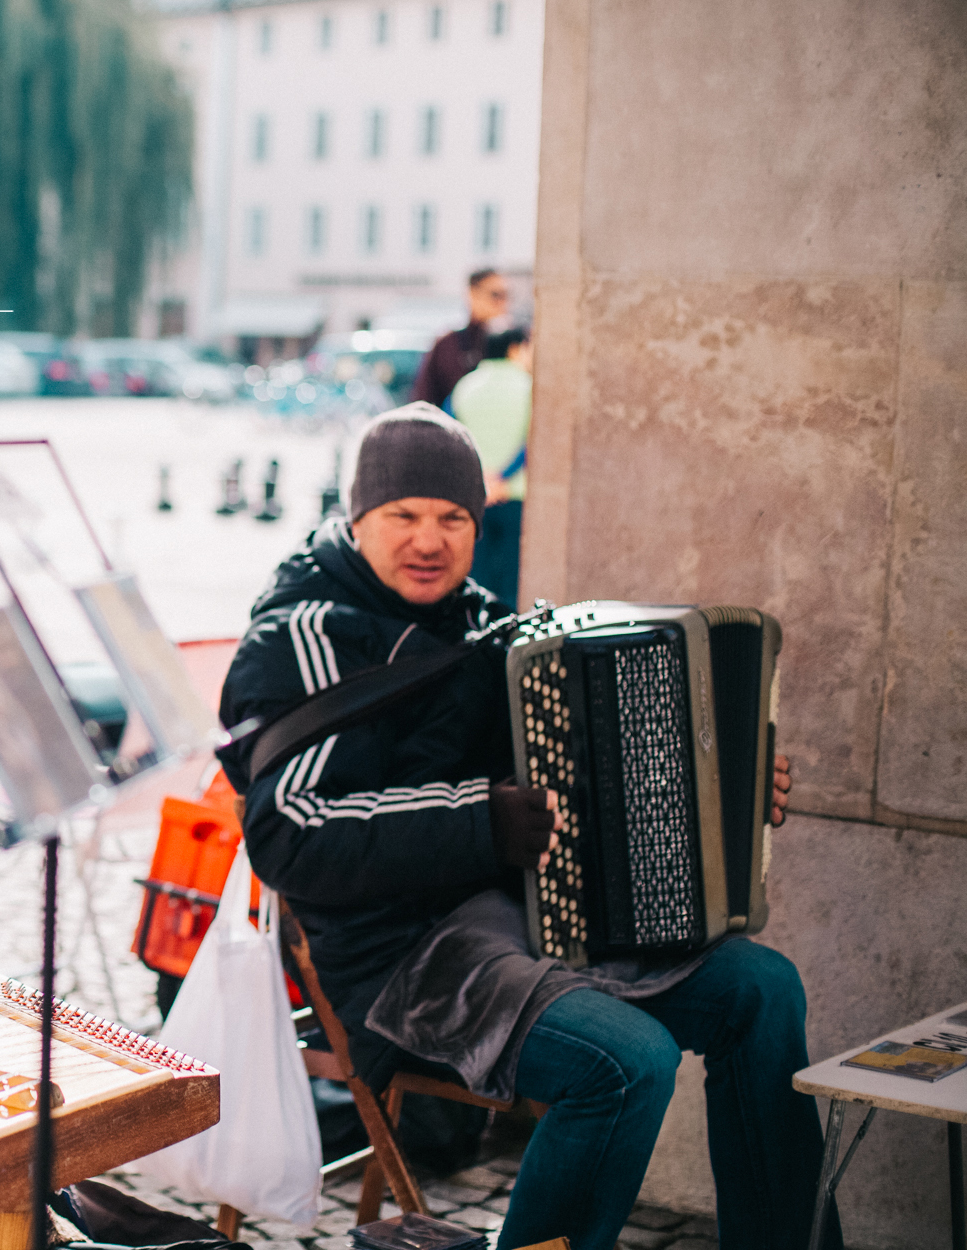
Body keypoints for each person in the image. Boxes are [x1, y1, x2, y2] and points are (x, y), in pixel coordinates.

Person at [216, 405, 836, 1250]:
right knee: (627, 1062)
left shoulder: (483, 628)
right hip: (404, 960)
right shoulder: (303, 636)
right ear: (356, 519)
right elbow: (292, 828)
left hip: (531, 922)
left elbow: (575, 785)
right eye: (402, 516)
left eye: (453, 519)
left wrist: (719, 797)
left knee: (762, 990)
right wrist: (478, 820)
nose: (428, 540)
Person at [451, 325, 532, 606]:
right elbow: (532, 443)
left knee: (478, 577)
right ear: (515, 348)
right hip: (515, 494)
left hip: (477, 495)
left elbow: (453, 435)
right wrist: (504, 477)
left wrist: (483, 477)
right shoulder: (529, 387)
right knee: (513, 579)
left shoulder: (465, 386)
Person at [411, 269, 509, 410]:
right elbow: (423, 400)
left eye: (506, 295)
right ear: (472, 295)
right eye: (496, 295)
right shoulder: (447, 345)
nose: (503, 302)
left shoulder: (516, 346)